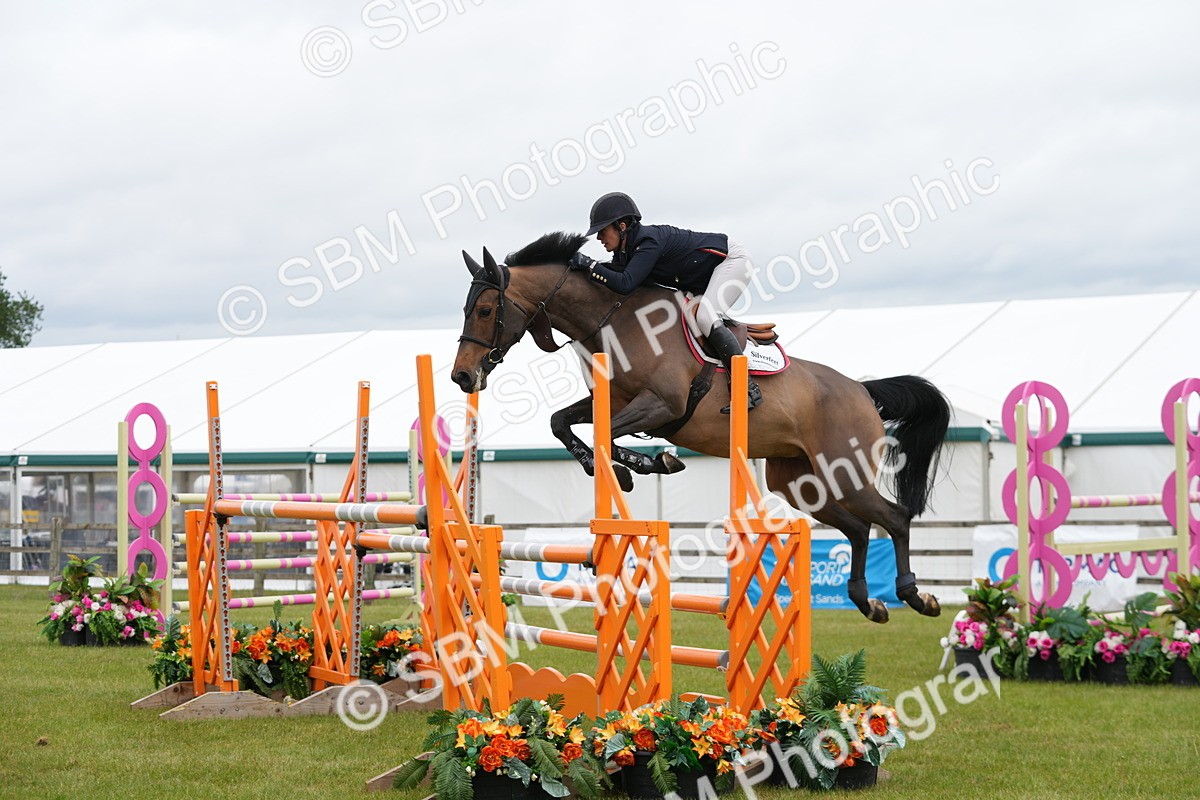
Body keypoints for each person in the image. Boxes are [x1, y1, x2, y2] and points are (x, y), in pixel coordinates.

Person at [567, 191, 762, 412]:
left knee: (705, 316)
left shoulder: (648, 241)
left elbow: (624, 283)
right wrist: (581, 269)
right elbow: (613, 275)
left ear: (622, 226)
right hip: (701, 279)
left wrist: (590, 265)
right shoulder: (625, 252)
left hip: (732, 261)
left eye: (602, 231)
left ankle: (747, 387)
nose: (599, 238)